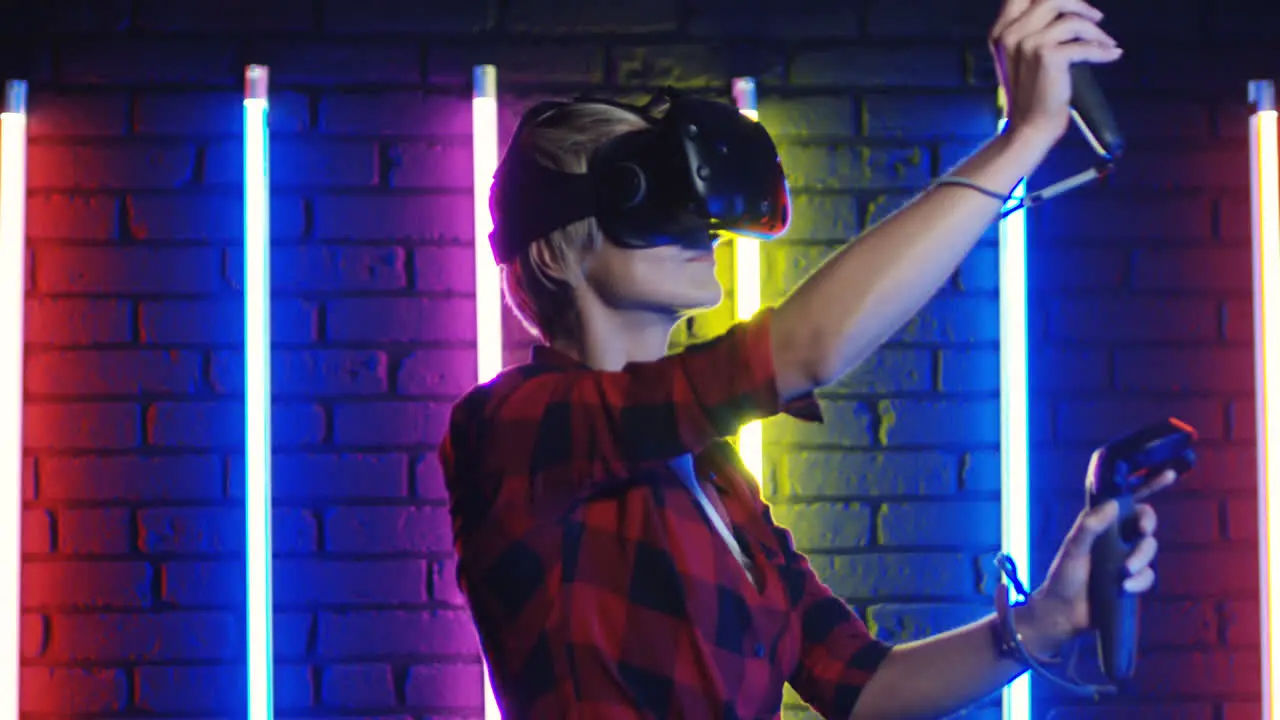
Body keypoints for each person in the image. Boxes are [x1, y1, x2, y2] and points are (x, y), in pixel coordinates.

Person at [438, 0, 1176, 717]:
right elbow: (798, 352)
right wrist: (1023, 137)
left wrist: (1046, 619)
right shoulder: (508, 430)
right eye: (649, 194)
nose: (698, 222)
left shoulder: (717, 476)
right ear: (554, 253)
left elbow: (860, 685)